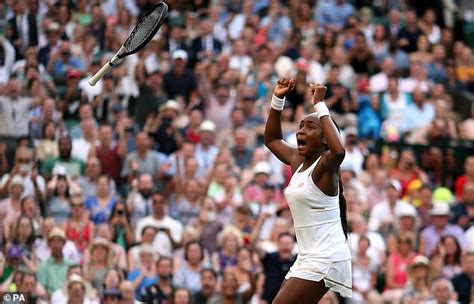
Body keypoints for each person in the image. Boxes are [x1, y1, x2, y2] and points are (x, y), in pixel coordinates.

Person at [264, 78, 352, 302]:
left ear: (325, 140)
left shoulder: (326, 165)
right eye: (301, 125)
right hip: (307, 256)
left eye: (310, 127)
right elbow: (272, 139)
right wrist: (278, 99)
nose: (301, 130)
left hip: (327, 256)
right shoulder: (296, 159)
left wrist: (320, 105)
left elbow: (339, 151)